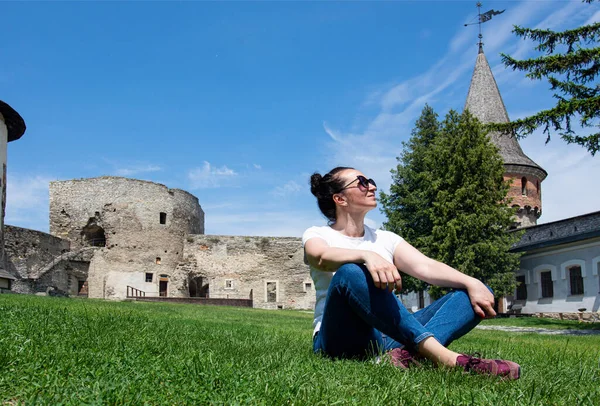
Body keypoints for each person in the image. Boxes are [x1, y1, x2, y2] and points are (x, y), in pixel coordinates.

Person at [302, 166, 520, 379]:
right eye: (362, 182)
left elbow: (426, 267)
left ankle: (406, 356)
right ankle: (446, 358)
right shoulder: (318, 234)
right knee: (351, 272)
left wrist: (472, 282)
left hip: (386, 337)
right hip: (338, 337)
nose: (372, 187)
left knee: (471, 294)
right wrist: (366, 255)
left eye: (371, 181)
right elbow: (320, 257)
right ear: (340, 199)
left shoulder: (386, 238)